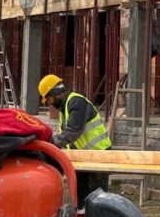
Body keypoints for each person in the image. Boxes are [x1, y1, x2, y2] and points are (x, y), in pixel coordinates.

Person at [38, 74, 111, 204]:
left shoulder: (76, 102)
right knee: (81, 199)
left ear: (54, 93)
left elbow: (72, 133)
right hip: (82, 158)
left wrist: (50, 142)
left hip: (99, 156)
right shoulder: (65, 109)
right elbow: (65, 137)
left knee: (98, 201)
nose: (49, 103)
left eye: (48, 99)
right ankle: (83, 216)